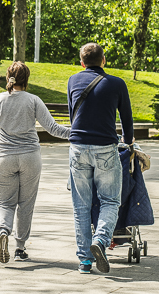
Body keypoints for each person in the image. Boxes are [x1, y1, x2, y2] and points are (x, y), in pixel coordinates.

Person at [0, 61, 70, 264]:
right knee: (25, 204)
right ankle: (20, 248)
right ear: (27, 80)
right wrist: (80, 133)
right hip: (30, 157)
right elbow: (52, 128)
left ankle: (3, 231)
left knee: (5, 202)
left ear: (8, 78)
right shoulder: (33, 100)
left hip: (4, 158)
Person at [67, 42, 133, 275]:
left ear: (82, 63)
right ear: (103, 61)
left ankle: (84, 261)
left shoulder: (73, 81)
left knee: (81, 206)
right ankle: (101, 240)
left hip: (78, 147)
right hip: (105, 147)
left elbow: (72, 111)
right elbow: (126, 118)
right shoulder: (117, 84)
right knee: (110, 200)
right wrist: (130, 141)